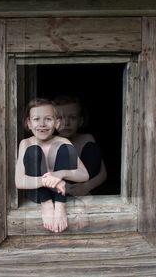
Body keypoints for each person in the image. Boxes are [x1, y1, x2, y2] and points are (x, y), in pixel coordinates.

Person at [15, 98, 89, 233]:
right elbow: (20, 181)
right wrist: (49, 182)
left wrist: (60, 174)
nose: (42, 124)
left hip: (61, 194)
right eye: (37, 119)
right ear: (29, 123)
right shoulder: (25, 143)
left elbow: (84, 175)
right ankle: (47, 205)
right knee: (34, 150)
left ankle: (60, 206)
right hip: (38, 193)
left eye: (48, 119)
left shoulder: (63, 141)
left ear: (57, 123)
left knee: (63, 147)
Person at [54, 95, 107, 196]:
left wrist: (86, 187)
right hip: (61, 192)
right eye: (60, 118)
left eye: (73, 118)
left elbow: (103, 174)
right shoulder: (50, 142)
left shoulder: (87, 139)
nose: (66, 123)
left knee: (91, 148)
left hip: (85, 191)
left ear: (81, 121)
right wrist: (68, 189)